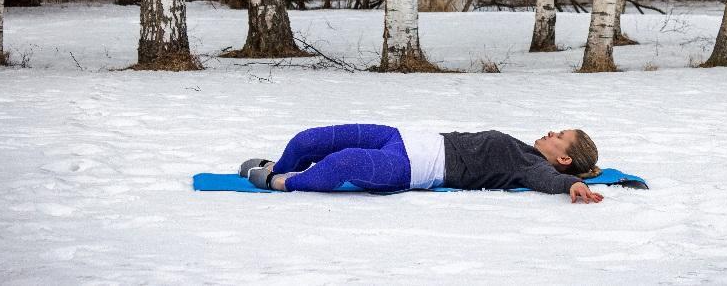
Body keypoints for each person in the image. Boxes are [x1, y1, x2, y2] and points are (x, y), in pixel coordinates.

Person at [239, 124, 604, 204]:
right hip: (400, 138)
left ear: (564, 157)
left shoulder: (530, 166)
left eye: (561, 135)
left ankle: (281, 182)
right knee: (309, 141)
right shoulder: (522, 147)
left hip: (412, 169)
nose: (552, 131)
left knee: (342, 162)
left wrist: (572, 185)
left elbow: (547, 180)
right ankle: (279, 164)